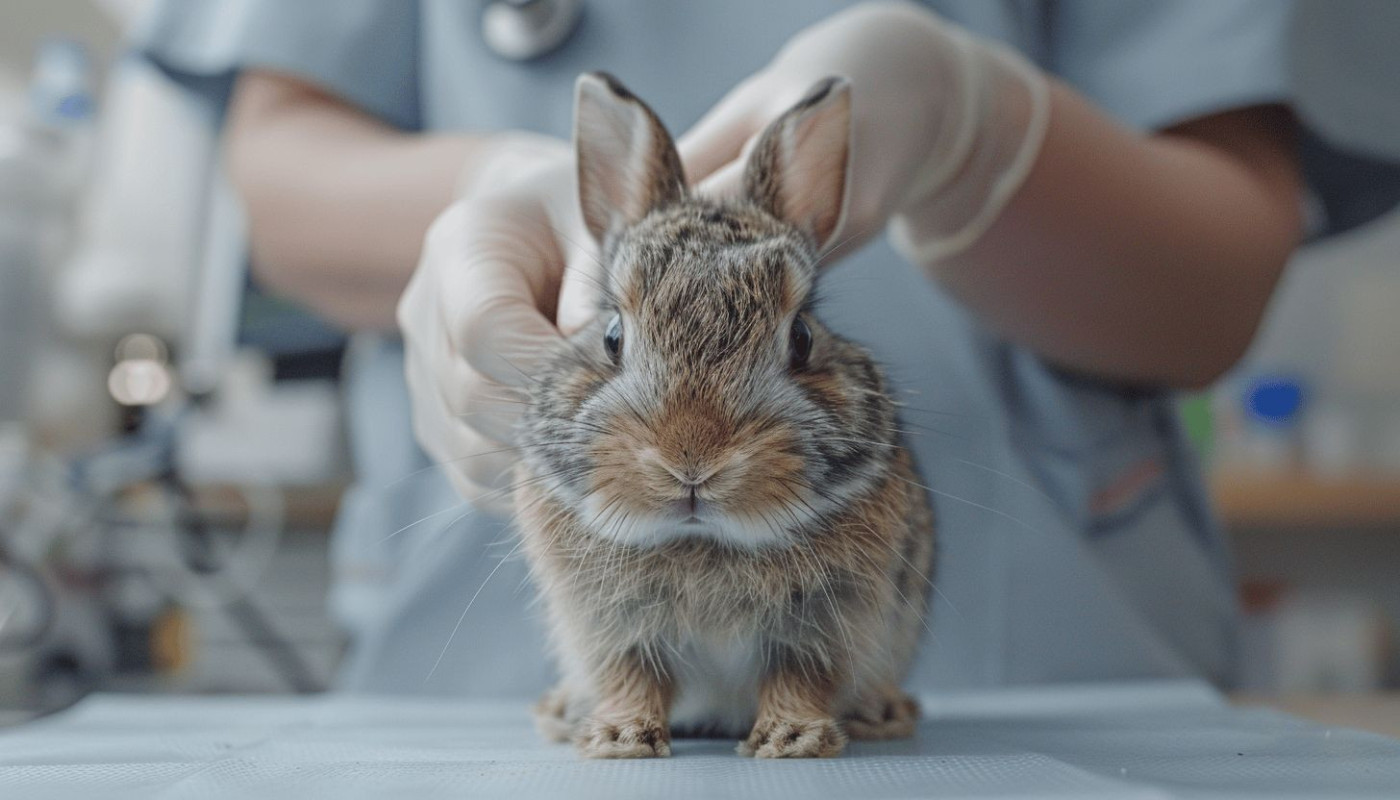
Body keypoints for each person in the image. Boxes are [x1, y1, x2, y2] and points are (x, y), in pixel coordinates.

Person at [136, 0, 1395, 695]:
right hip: (472, 667)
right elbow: (283, 165)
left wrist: (974, 129)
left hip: (1048, 659)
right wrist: (489, 186)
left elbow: (1222, 266)